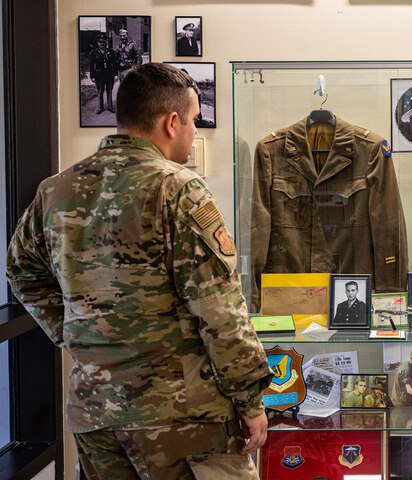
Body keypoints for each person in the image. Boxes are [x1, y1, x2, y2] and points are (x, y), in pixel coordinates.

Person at [6, 63, 274, 479]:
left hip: (95, 411)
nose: (194, 132)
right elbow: (219, 309)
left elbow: (21, 271)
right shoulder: (177, 188)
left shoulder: (56, 189)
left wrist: (76, 333)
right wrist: (250, 401)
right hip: (181, 415)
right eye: (193, 120)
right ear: (172, 122)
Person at [88, 33, 117, 114]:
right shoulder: (94, 52)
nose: (102, 44)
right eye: (100, 42)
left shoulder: (110, 51)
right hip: (99, 75)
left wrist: (115, 74)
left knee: (109, 91)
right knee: (100, 91)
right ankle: (100, 107)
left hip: (109, 74)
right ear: (97, 43)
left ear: (105, 43)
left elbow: (114, 64)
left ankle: (110, 106)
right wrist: (92, 76)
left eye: (103, 42)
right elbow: (91, 65)